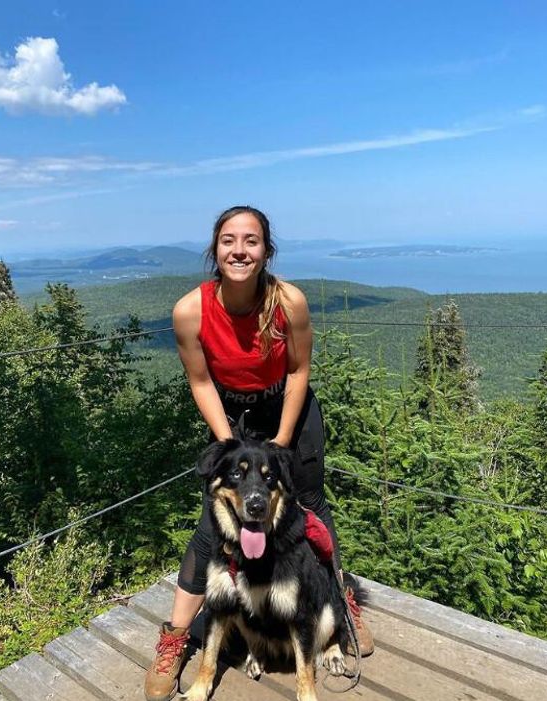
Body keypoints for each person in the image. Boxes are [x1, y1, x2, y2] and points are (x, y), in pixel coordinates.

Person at [144, 205, 374, 701]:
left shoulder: (288, 301)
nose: (240, 250)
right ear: (215, 249)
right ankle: (175, 639)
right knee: (213, 524)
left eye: (251, 241)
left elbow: (298, 371)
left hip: (288, 407)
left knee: (309, 505)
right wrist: (227, 441)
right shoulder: (191, 310)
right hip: (232, 415)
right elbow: (200, 380)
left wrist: (284, 441)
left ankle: (338, 603)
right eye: (229, 240)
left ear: (266, 250)